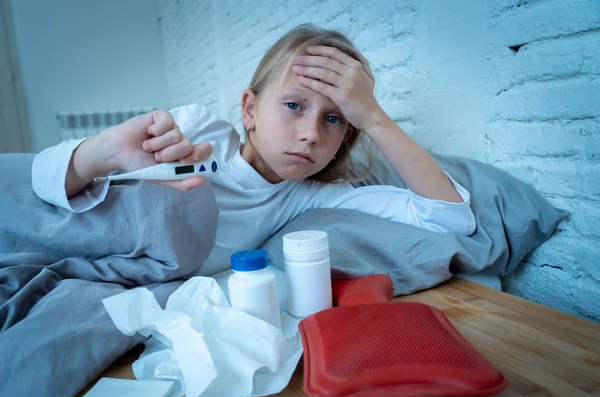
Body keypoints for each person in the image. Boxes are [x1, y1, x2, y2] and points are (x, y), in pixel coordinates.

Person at [32, 24, 476, 277]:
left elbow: (449, 216)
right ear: (250, 109)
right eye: (293, 106)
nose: (309, 134)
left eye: (334, 118)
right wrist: (105, 152)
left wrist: (374, 116)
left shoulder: (310, 197)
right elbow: (42, 178)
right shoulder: (198, 131)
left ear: (348, 135)